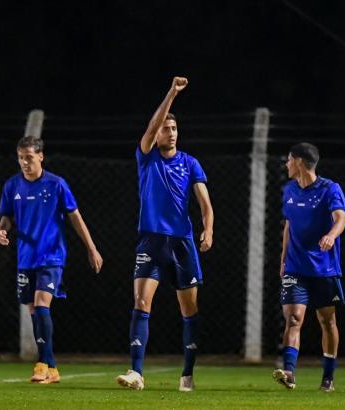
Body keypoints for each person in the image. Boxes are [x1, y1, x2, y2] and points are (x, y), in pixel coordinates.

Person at [116, 77, 214, 392]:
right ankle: (136, 372)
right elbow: (151, 125)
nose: (169, 132)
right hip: (151, 240)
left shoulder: (190, 163)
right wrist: (172, 93)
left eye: (173, 129)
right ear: (156, 133)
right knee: (141, 302)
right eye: (164, 128)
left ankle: (187, 374)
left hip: (182, 243)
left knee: (189, 311)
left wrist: (208, 229)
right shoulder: (147, 157)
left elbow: (205, 204)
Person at [0, 135, 103, 384]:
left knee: (42, 304)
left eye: (29, 157)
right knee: (34, 310)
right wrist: (2, 229)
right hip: (26, 258)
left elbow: (75, 217)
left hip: (51, 256)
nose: (24, 162)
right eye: (21, 158)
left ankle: (42, 364)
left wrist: (91, 247)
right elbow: (6, 217)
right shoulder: (12, 186)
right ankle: (52, 367)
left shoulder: (56, 184)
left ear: (41, 156)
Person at [273, 142, 345, 392]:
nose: (286, 164)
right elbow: (288, 225)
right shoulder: (289, 190)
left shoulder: (330, 189)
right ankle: (289, 372)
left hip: (324, 269)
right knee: (293, 318)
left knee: (327, 321)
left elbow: (341, 219)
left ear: (300, 162)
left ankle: (328, 378)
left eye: (289, 160)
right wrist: (283, 258)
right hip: (295, 267)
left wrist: (331, 235)